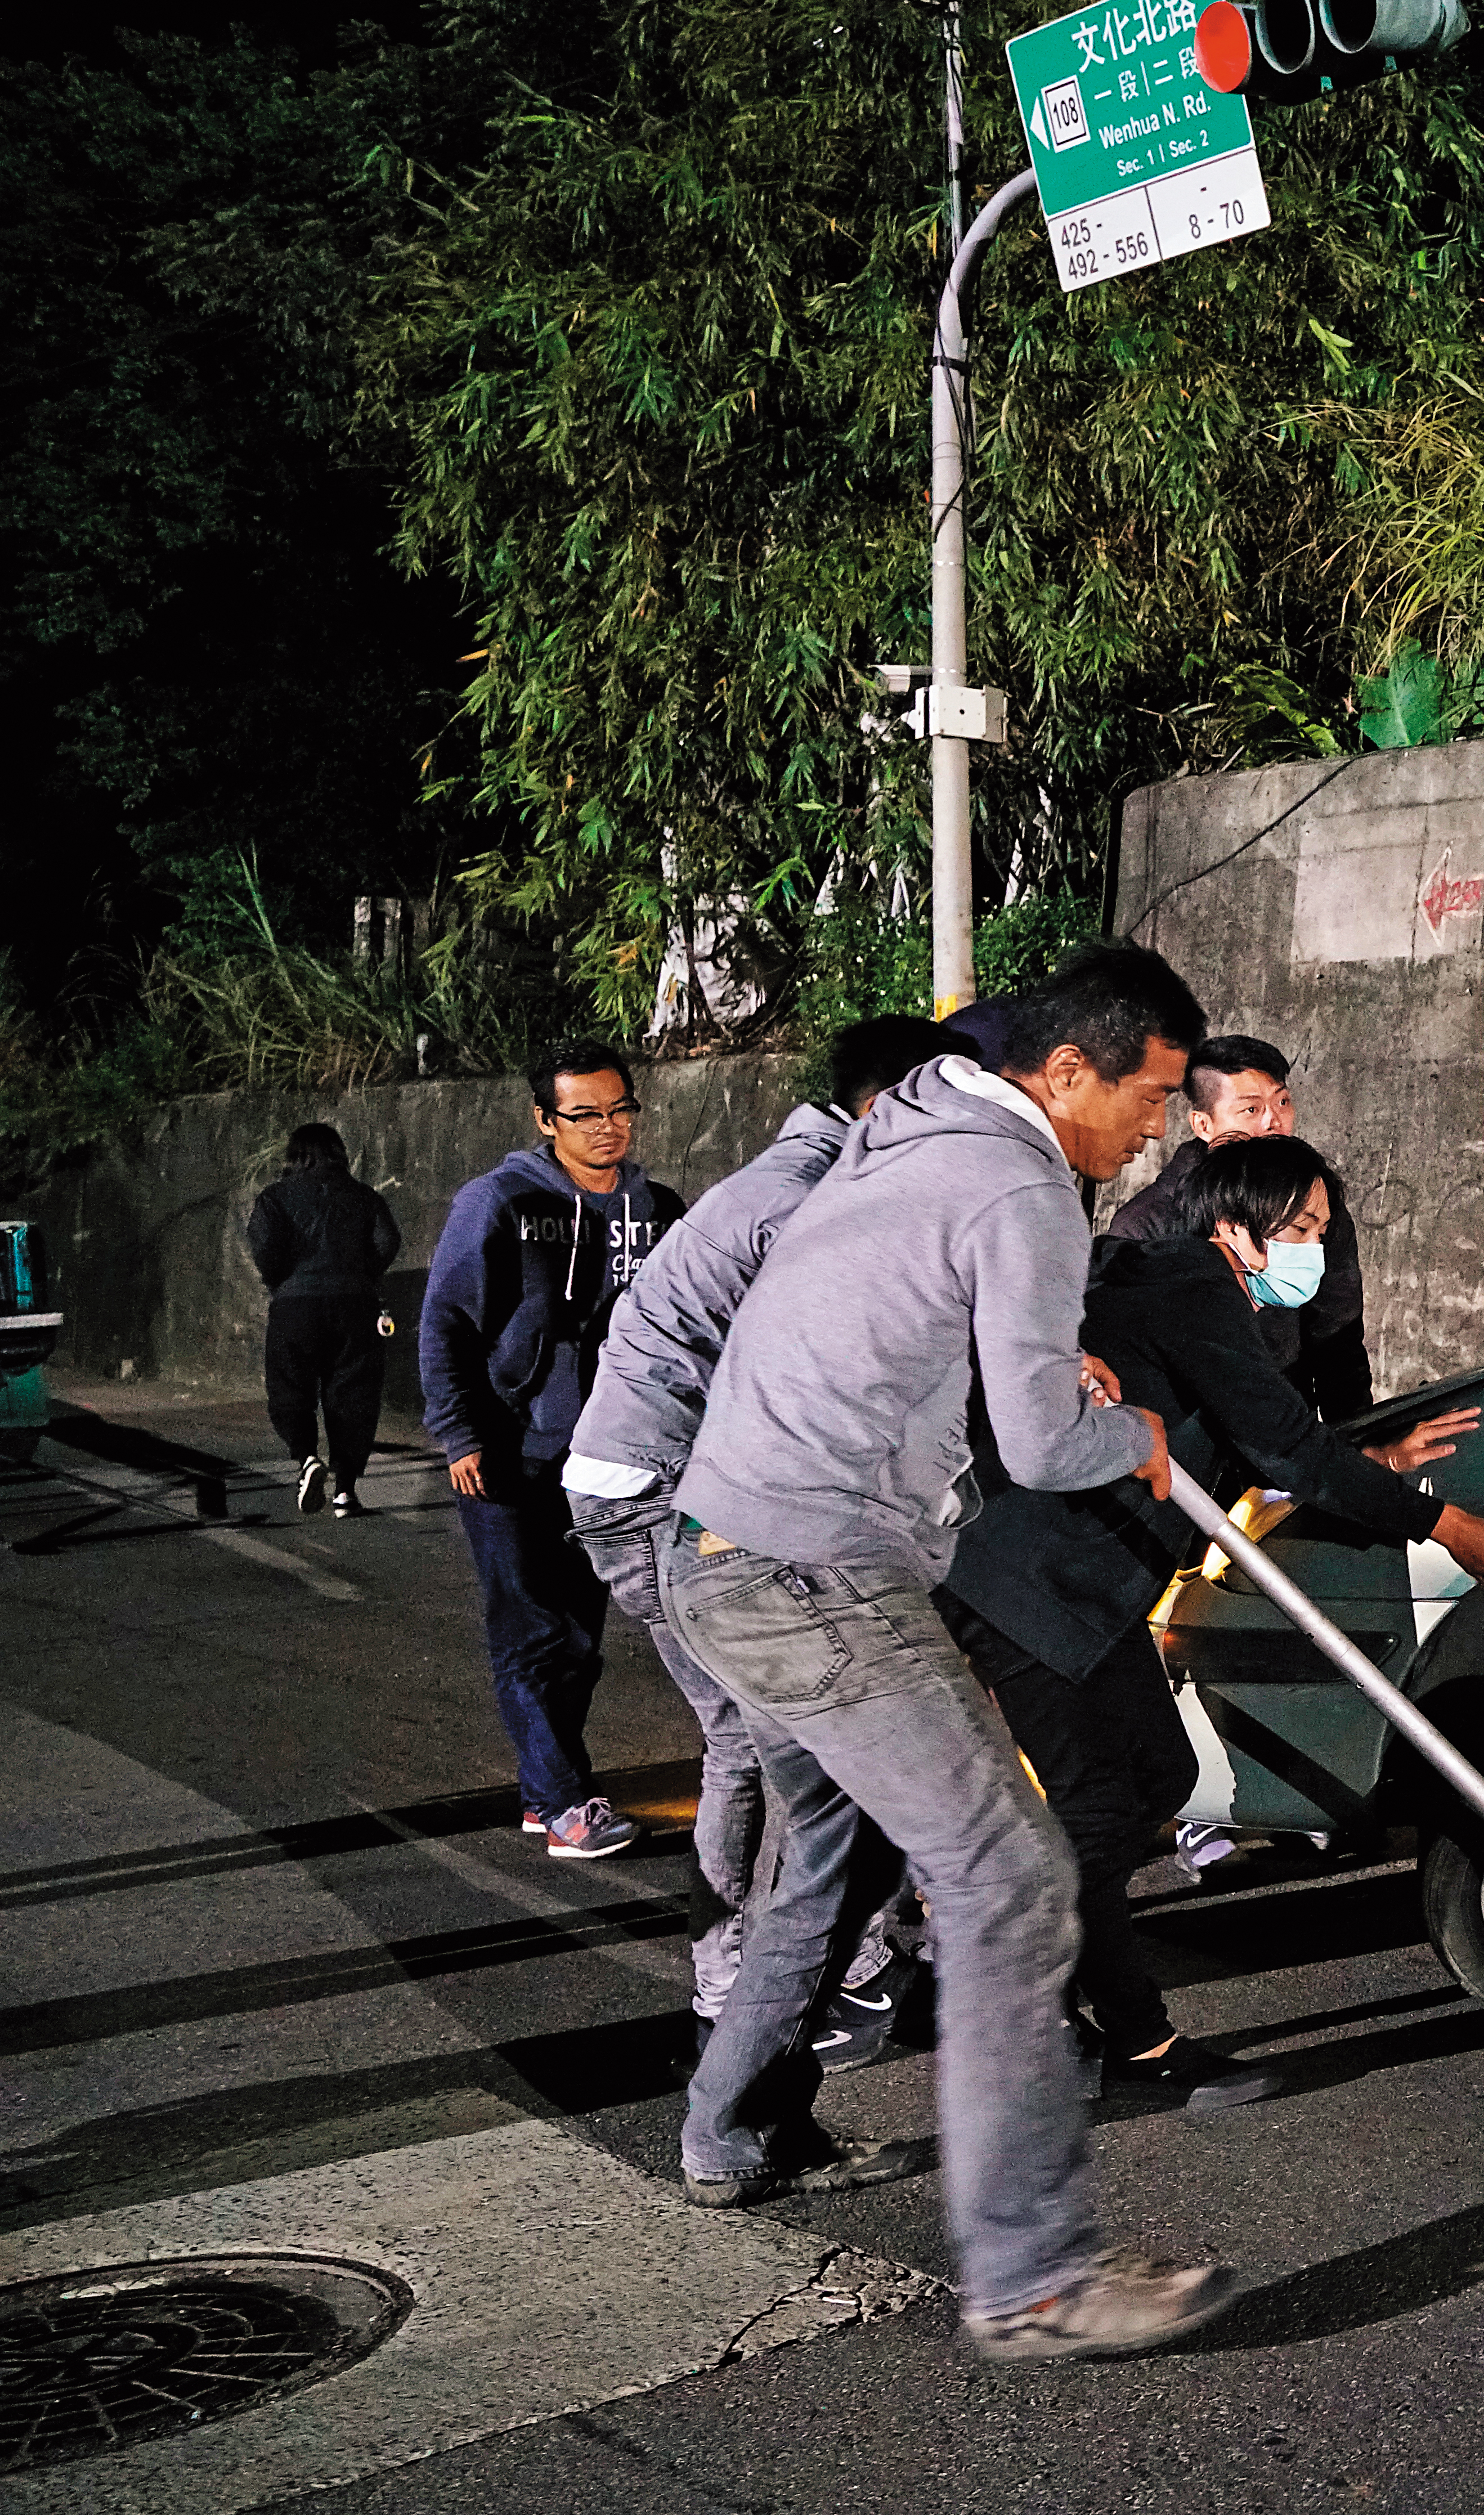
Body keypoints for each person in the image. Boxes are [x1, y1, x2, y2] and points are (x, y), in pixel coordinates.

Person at [664, 943, 1239, 2364]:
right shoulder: (1022, 1178)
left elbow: (922, 1334)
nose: (1156, 1130)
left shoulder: (911, 1132)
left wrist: (1045, 1363)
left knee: (831, 1860)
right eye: (1152, 1096)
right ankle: (1034, 2272)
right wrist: (1138, 1435)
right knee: (1011, 1874)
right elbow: (1046, 1445)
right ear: (1066, 1074)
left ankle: (726, 2129)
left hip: (733, 1552)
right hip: (813, 1573)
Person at [944, 1132, 1484, 2108]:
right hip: (1033, 1585)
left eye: (1321, 1225)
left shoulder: (1185, 1292)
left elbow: (1260, 1433)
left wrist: (1373, 1459)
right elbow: (1284, 1445)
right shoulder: (1191, 1286)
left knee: (1158, 1776)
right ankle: (1107, 2035)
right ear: (1237, 1228)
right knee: (1102, 1805)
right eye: (1299, 1226)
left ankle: (1045, 1993)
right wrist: (1443, 1520)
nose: (1315, 1245)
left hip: (1081, 1593)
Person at [562, 1014, 967, 2025]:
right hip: (661, 1486)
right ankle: (746, 1981)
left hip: (663, 1476)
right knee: (773, 1733)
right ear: (894, 1107)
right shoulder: (806, 1205)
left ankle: (791, 1967)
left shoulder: (817, 1181)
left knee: (780, 1731)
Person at [419, 1043, 685, 1858]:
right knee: (531, 1630)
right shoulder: (497, 1203)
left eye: (620, 1110)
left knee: (579, 1637)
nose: (608, 1129)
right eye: (585, 1115)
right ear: (545, 1120)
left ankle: (546, 1789)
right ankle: (568, 1805)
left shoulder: (662, 1208)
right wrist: (460, 1431)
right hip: (510, 1450)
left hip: (615, 1455)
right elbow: (445, 1322)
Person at [1108, 1033, 1373, 1420]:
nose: (1274, 1122)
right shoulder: (1148, 1224)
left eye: (1283, 1102)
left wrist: (1358, 1446)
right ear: (1203, 1124)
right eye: (1251, 1111)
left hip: (1284, 1417)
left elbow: (1338, 1336)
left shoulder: (1315, 1204)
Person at [245, 1121, 400, 1518]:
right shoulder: (364, 1196)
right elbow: (387, 1242)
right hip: (356, 1305)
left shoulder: (275, 1197)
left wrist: (283, 1281)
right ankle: (346, 1492)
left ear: (294, 1156)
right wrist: (363, 1276)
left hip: (296, 1305)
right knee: (352, 1395)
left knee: (290, 1388)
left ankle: (306, 1459)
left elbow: (264, 1247)